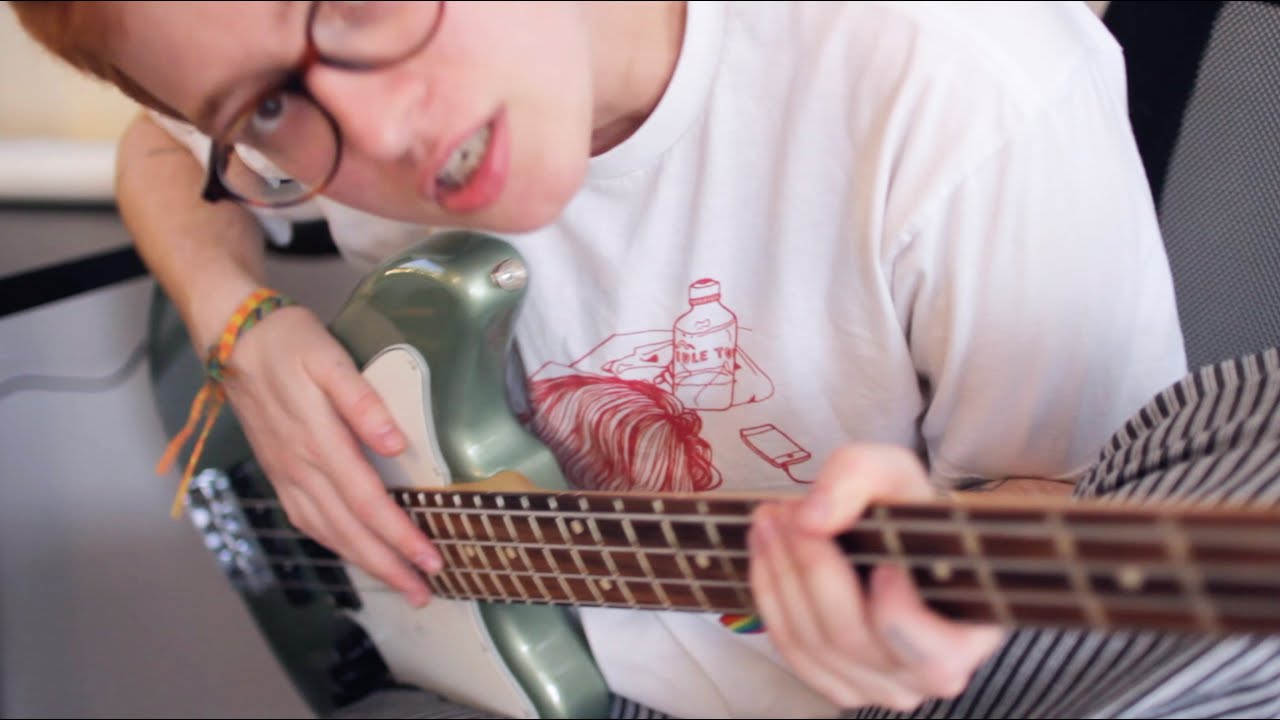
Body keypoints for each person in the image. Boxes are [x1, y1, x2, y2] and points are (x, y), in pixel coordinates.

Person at [10, 2, 1193, 718]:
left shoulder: (964, 85)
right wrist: (239, 330)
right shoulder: (316, 124)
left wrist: (951, 591)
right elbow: (157, 152)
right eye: (267, 109)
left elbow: (1092, 509)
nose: (375, 132)